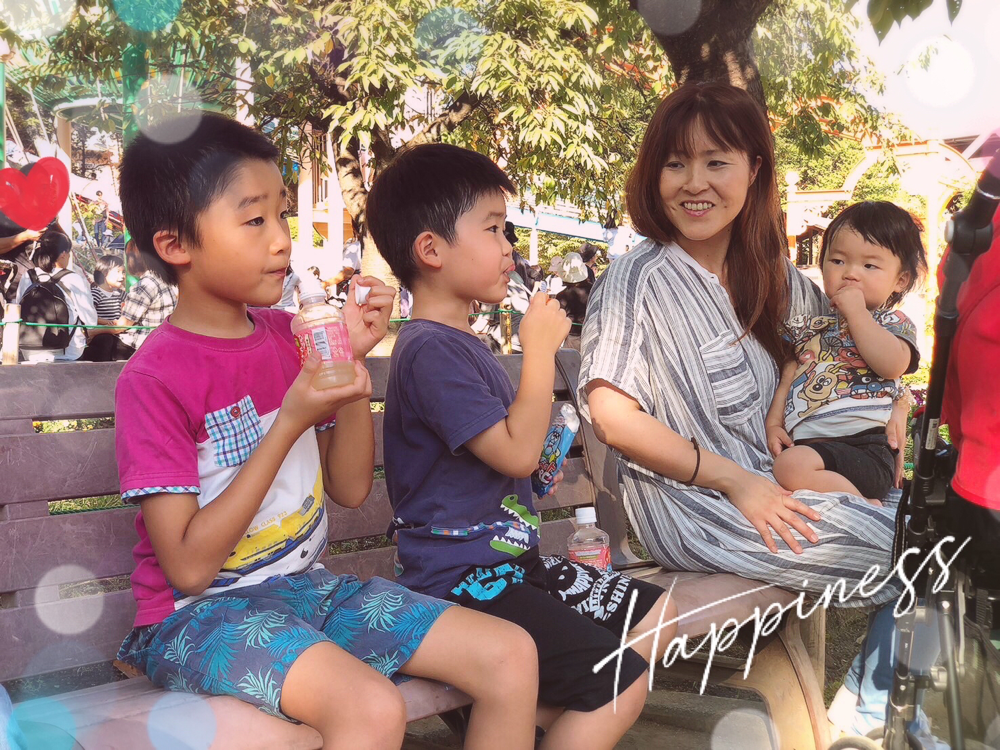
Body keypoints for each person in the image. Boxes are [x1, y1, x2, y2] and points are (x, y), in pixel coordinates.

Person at [113, 112, 539, 748]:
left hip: (306, 592)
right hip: (197, 618)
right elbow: (190, 568)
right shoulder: (154, 378)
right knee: (371, 708)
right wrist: (290, 421)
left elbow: (348, 488)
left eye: (282, 215)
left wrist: (351, 366)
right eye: (254, 220)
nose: (281, 241)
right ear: (176, 245)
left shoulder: (289, 339)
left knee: (509, 654)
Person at [579, 82, 908, 740]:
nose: (693, 183)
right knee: (918, 550)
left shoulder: (773, 275)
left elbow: (856, 346)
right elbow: (611, 416)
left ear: (754, 170)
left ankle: (863, 710)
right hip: (694, 508)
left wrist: (897, 400)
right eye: (675, 163)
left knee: (933, 525)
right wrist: (735, 481)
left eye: (716, 162)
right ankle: (866, 717)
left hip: (776, 489)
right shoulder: (638, 279)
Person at [367, 142, 677, 750]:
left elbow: (511, 458)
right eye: (492, 228)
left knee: (654, 615)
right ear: (431, 250)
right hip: (462, 582)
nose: (508, 246)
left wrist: (538, 462)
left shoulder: (462, 343)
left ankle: (536, 724)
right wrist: (537, 351)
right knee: (619, 680)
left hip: (514, 566)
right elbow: (512, 452)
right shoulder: (429, 350)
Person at [766, 202, 925, 502]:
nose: (850, 274)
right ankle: (857, 502)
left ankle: (864, 506)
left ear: (900, 280)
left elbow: (892, 365)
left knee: (789, 467)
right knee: (789, 464)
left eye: (869, 266)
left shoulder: (892, 324)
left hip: (866, 448)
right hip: (814, 448)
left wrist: (857, 314)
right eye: (837, 261)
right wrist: (774, 424)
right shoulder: (810, 328)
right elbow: (788, 376)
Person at [15, 231, 98, 363]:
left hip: (30, 350)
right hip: (68, 351)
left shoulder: (28, 276)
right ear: (63, 253)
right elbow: (90, 321)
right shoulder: (74, 279)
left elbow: (18, 308)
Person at [104, 240, 177, 352]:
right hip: (162, 341)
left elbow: (122, 325)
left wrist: (93, 332)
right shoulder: (165, 280)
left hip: (140, 344)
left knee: (102, 341)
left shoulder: (143, 286)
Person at [554, 252, 593, 352]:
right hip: (592, 334)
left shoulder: (562, 296)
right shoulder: (594, 290)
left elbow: (558, 320)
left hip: (573, 338)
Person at [91, 254, 126, 324]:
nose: (122, 276)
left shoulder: (120, 293)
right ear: (104, 273)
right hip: (103, 330)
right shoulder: (96, 293)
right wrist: (109, 322)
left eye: (123, 272)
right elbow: (89, 316)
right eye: (118, 271)